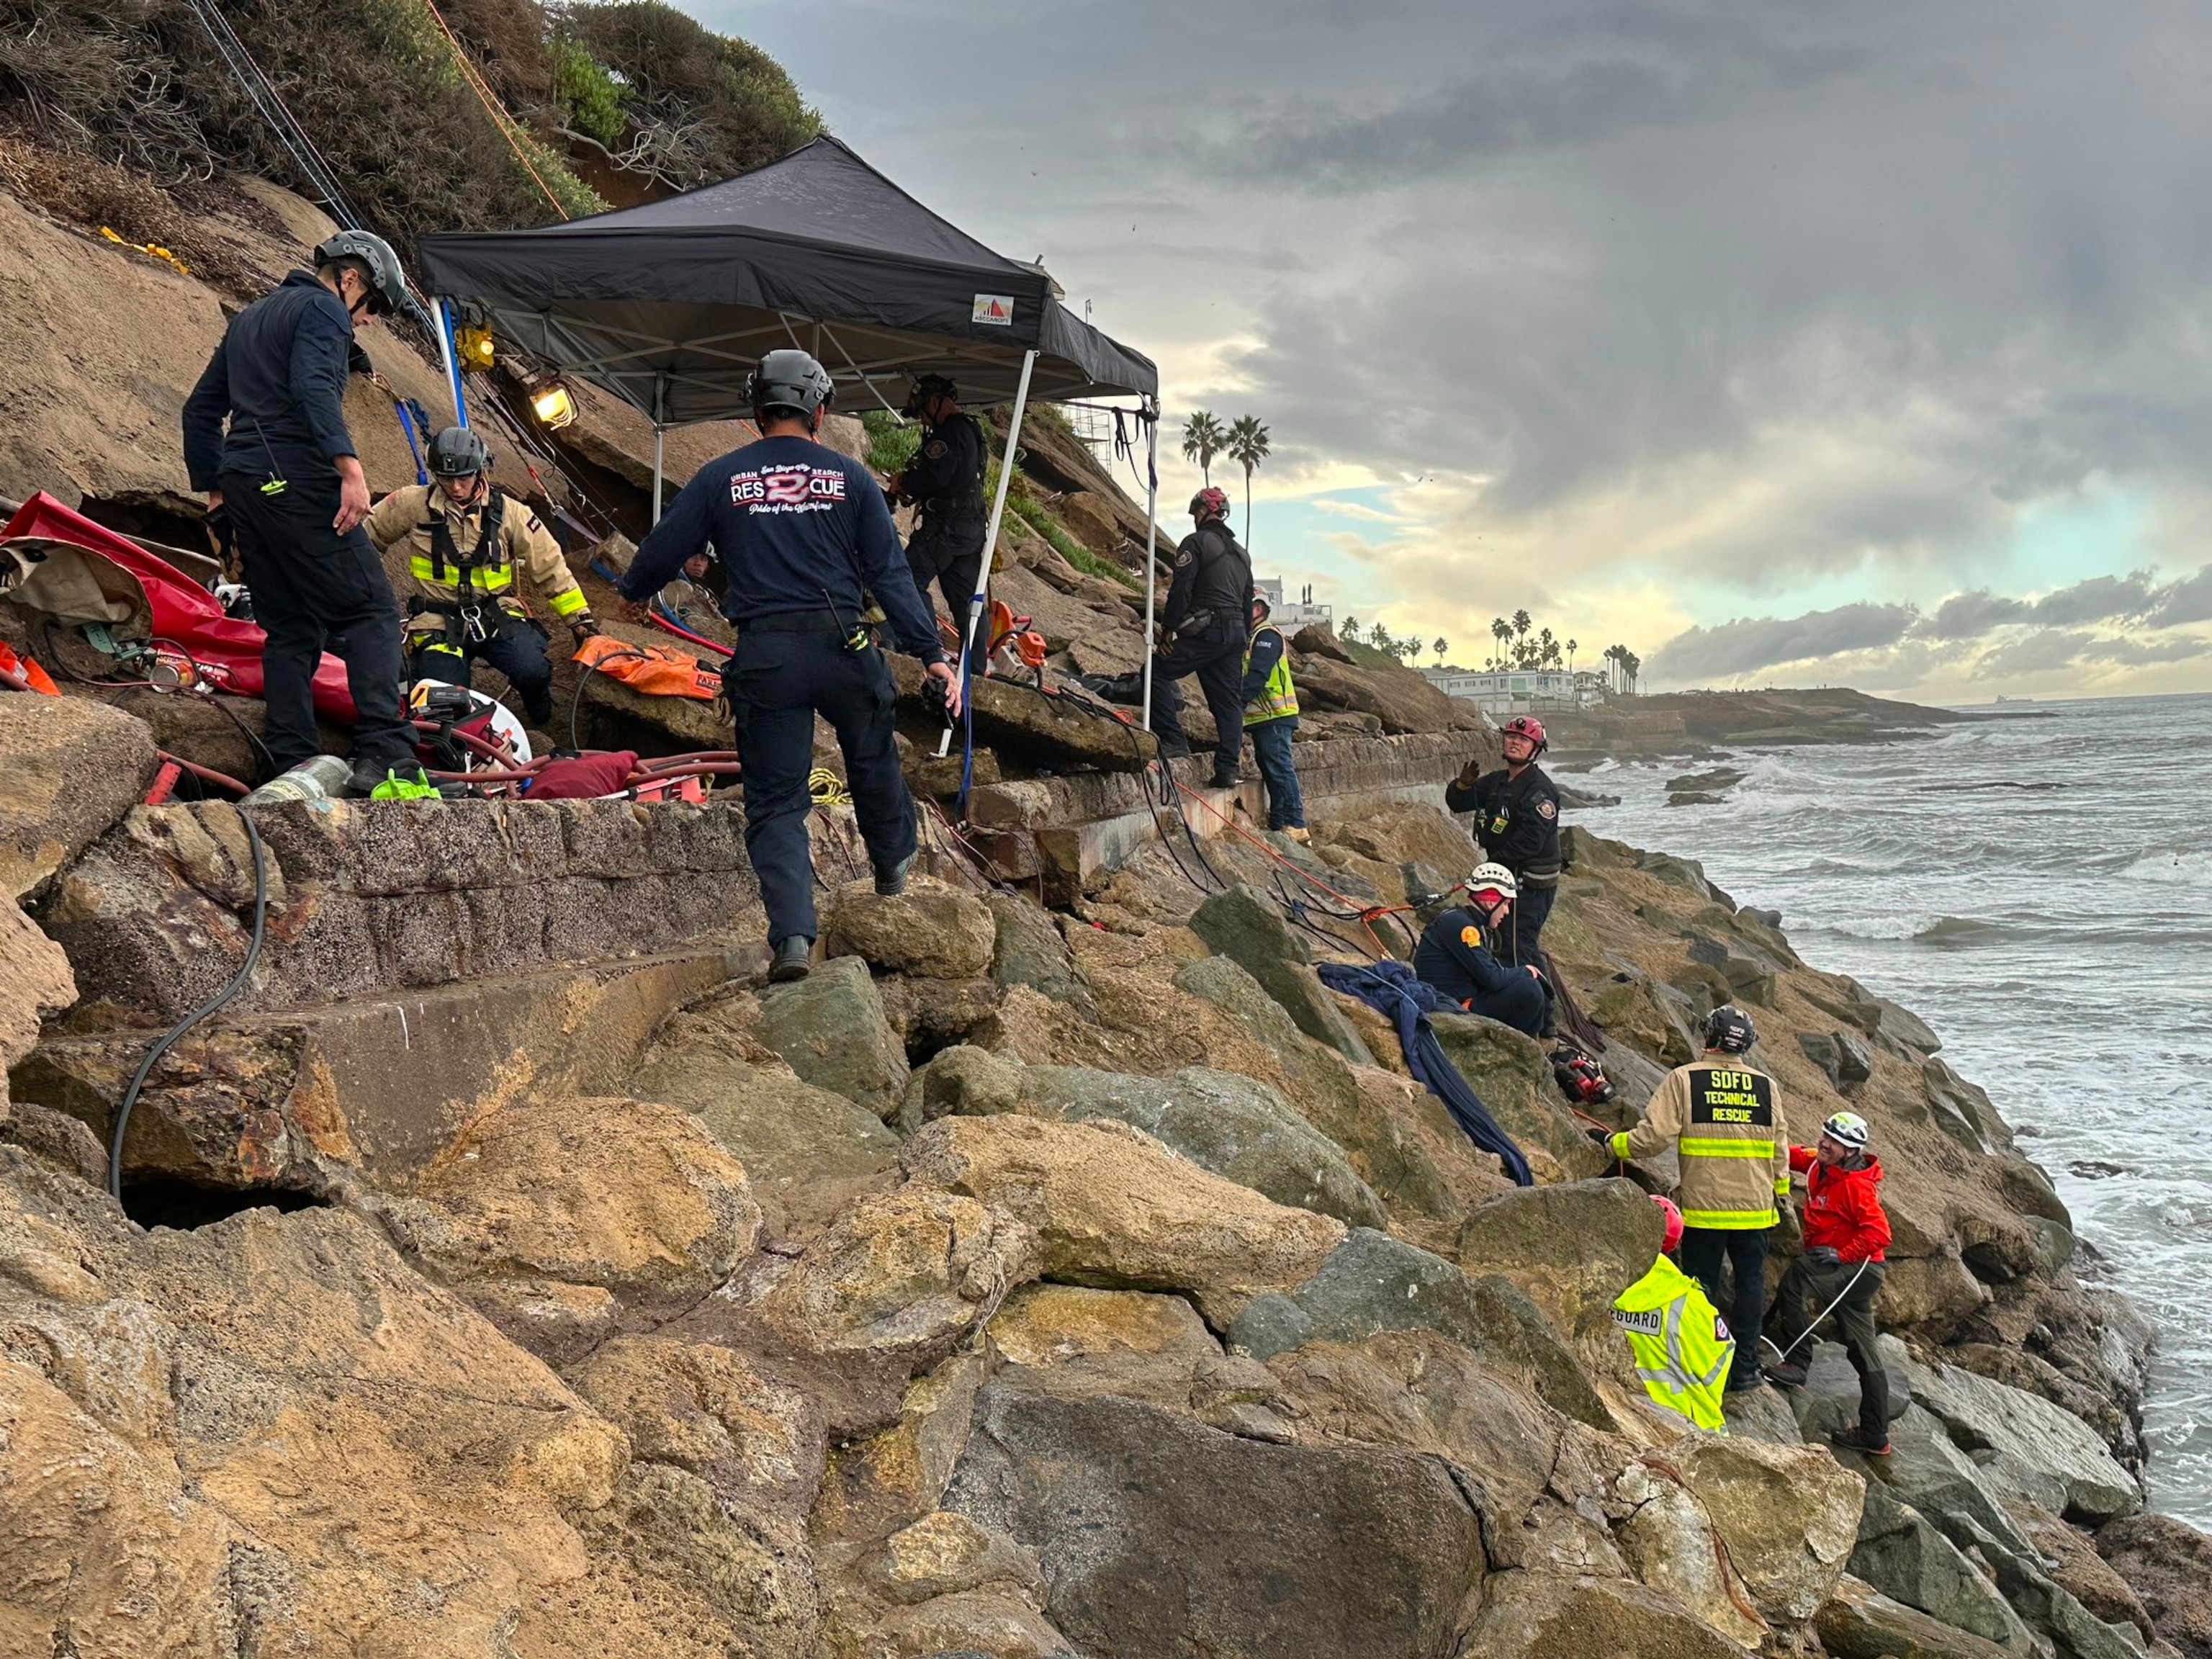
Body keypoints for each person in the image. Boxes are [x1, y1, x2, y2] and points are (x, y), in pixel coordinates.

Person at [613, 349, 961, 984]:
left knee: (775, 802)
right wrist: (932, 656)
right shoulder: (851, 480)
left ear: (756, 411)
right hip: (844, 648)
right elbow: (889, 573)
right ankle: (891, 866)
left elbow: (668, 543)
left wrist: (635, 590)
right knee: (872, 756)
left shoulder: (722, 477)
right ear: (819, 413)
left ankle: (795, 939)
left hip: (767, 655)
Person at [181, 230, 423, 795]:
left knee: (291, 628)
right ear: (351, 279)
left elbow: (200, 411)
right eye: (375, 308)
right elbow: (313, 386)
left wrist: (217, 497)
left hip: (244, 485)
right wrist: (350, 469)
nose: (369, 322)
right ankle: (387, 755)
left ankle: (290, 759)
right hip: (293, 475)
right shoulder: (323, 309)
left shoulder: (252, 316)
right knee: (370, 612)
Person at [1600, 1004, 1788, 1396]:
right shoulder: (1766, 1086)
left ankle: (1702, 1364)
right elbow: (1779, 1151)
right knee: (1751, 1287)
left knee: (1701, 1290)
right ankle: (1745, 1370)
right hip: (1756, 1210)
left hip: (1706, 1210)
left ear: (1709, 1038)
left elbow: (1652, 1140)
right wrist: (1781, 1196)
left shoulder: (1685, 1080)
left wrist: (1614, 1144)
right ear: (1746, 1044)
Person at [364, 426, 595, 727]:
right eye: (447, 479)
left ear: (481, 470)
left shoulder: (513, 514)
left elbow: (550, 568)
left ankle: (538, 707)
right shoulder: (410, 505)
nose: (457, 488)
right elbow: (365, 541)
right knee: (441, 698)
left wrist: (581, 624)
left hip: (497, 616)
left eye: (464, 477)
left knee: (532, 668)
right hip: (436, 621)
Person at [1765, 1111, 1894, 1455]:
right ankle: (1875, 1435)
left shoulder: (1855, 1186)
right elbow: (1789, 1153)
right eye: (1825, 1136)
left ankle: (1798, 1363)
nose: (1825, 1143)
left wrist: (1842, 1254)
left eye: (1834, 1142)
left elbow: (1880, 1233)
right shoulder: (1818, 1164)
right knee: (1863, 1350)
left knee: (1796, 1279)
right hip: (1849, 1268)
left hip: (1859, 1269)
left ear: (1850, 1151)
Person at [1149, 487, 1253, 788]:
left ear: (1204, 511)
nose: (1194, 517)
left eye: (1196, 511)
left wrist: (1168, 628)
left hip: (1210, 628)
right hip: (1235, 632)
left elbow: (1181, 589)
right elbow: (1247, 602)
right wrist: (1243, 639)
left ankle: (1172, 739)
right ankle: (1227, 770)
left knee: (1155, 671)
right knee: (1228, 702)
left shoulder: (1195, 542)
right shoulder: (1242, 555)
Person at [1444, 715, 1563, 966]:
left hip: (1530, 880)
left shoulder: (1541, 790)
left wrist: (1491, 867)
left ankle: (1540, 1000)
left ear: (1536, 749)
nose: (1514, 743)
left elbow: (1531, 841)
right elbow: (1458, 803)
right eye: (1511, 737)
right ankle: (1512, 990)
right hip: (1505, 871)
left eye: (1523, 739)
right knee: (1501, 939)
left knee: (1519, 943)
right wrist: (1462, 786)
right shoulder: (1497, 781)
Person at [1613, 1194, 1737, 1433]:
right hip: (1685, 1419)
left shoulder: (1601, 1285)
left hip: (1622, 1407)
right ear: (1673, 1244)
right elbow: (1720, 1358)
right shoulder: (1688, 1301)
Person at [889, 374, 986, 664]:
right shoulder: (970, 429)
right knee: (968, 602)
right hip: (969, 528)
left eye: (922, 412)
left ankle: (927, 651)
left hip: (946, 528)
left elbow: (935, 476)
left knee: (905, 579)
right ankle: (975, 670)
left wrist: (903, 481)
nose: (923, 420)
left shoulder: (948, 434)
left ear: (934, 402)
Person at [1412, 863, 1549, 1035]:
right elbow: (1493, 978)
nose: (1506, 911)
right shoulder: (1463, 927)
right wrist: (1527, 970)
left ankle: (1524, 1044)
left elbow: (1489, 972)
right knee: (1530, 991)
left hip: (1456, 1000)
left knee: (1527, 986)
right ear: (1491, 902)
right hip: (1450, 1006)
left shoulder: (1463, 921)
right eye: (1506, 903)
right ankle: (1523, 1049)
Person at [1240, 593, 1305, 842]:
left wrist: (1237, 701)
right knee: (1271, 769)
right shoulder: (1253, 638)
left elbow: (1258, 676)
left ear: (1257, 610)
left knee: (1279, 768)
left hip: (1275, 715)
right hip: (1264, 717)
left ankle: (1295, 823)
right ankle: (1279, 824)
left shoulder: (1266, 636)